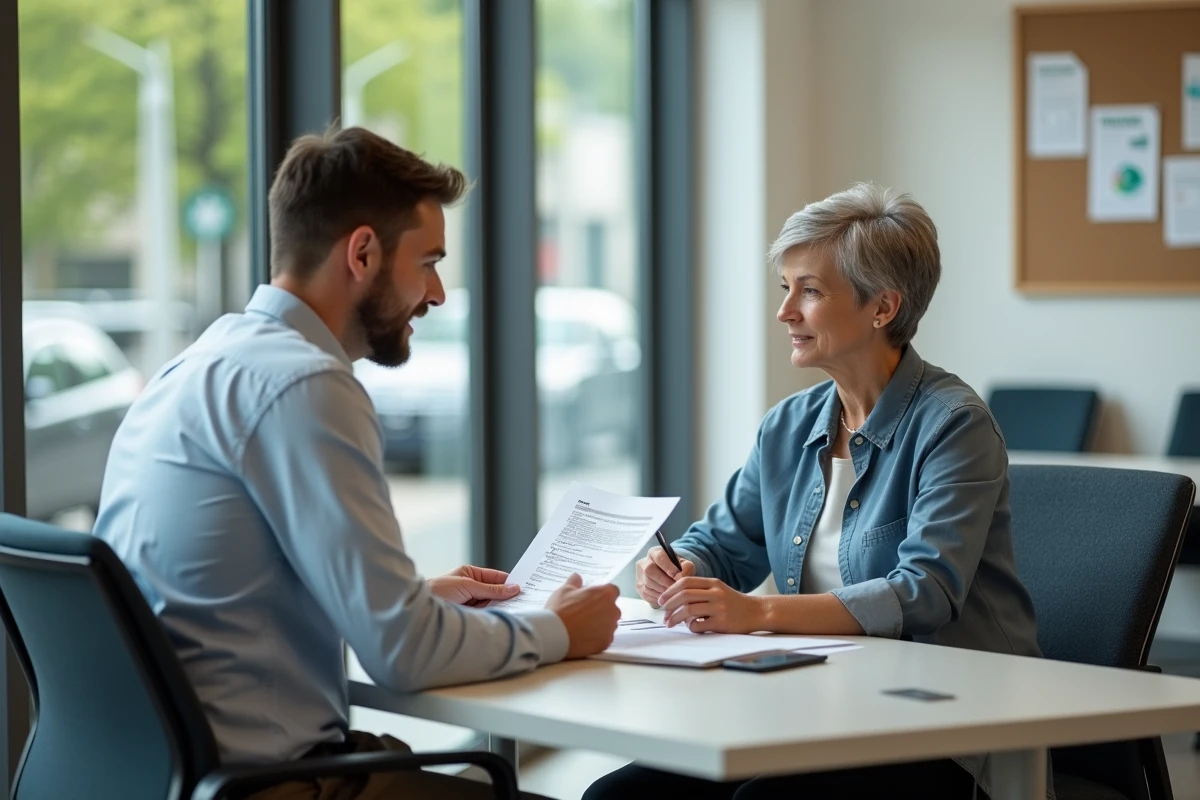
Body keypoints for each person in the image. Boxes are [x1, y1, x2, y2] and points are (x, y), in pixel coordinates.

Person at [93, 126, 621, 800]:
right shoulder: (305, 384)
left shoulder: (198, 364)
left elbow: (226, 596)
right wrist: (556, 629)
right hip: (270, 784)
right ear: (364, 252)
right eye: (428, 261)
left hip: (158, 774)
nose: (438, 294)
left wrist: (413, 599)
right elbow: (404, 654)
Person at [585, 183, 1046, 800]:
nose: (785, 312)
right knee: (619, 798)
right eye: (786, 289)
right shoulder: (788, 425)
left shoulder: (954, 424)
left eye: (810, 291)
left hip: (945, 722)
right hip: (822, 703)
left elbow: (927, 591)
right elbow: (729, 540)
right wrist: (683, 567)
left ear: (882, 308)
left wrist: (757, 613)